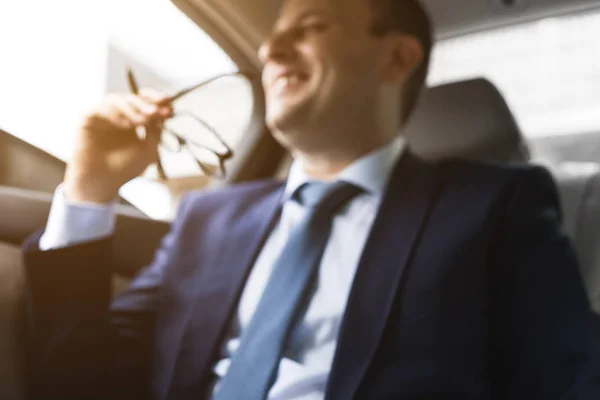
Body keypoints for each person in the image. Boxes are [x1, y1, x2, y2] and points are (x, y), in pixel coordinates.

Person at [23, 0, 600, 398]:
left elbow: (568, 376)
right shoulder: (209, 216)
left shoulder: (495, 206)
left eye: (311, 25)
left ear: (396, 58)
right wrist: (90, 189)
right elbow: (80, 378)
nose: (272, 47)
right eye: (276, 31)